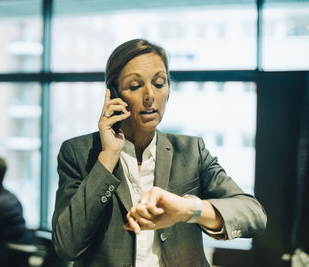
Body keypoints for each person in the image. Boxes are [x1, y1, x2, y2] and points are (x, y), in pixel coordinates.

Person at [52, 39, 267, 267]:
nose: (150, 96)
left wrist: (188, 209)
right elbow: (67, 246)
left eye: (159, 83)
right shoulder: (78, 153)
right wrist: (107, 158)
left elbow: (253, 215)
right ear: (114, 94)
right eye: (135, 86)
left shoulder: (191, 151)